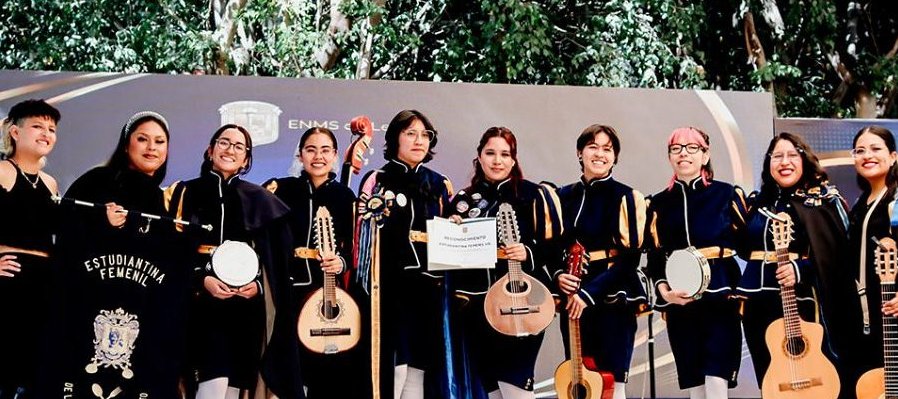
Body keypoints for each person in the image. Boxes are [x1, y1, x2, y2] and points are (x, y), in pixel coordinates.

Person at [54, 111, 192, 398]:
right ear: (126, 144)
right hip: (86, 313)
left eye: (159, 141)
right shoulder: (96, 180)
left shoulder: (163, 198)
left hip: (143, 319)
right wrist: (100, 223)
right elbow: (65, 231)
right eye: (142, 139)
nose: (151, 147)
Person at [166, 124, 292, 399]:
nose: (230, 150)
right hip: (200, 305)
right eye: (224, 143)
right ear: (210, 150)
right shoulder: (184, 192)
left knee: (235, 386)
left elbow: (273, 261)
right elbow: (172, 251)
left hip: (244, 309)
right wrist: (202, 279)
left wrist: (258, 286)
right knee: (210, 379)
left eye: (239, 146)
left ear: (246, 159)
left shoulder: (261, 199)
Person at [445, 126, 562, 399]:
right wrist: (451, 234)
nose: (497, 160)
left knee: (516, 382)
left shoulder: (535, 195)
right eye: (490, 153)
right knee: (491, 387)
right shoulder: (461, 201)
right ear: (479, 157)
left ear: (514, 159)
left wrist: (528, 253)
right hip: (475, 307)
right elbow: (447, 258)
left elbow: (555, 245)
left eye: (505, 154)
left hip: (523, 303)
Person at [736, 132, 854, 387]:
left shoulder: (823, 201)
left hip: (803, 299)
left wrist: (800, 269)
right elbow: (743, 246)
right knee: (770, 379)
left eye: (792, 155)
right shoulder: (756, 203)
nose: (784, 162)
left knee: (812, 374)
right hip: (758, 302)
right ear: (768, 163)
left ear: (805, 159)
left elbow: (839, 254)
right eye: (777, 156)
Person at [356, 109, 454, 399]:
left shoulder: (440, 184)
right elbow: (362, 240)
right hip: (390, 289)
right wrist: (366, 288)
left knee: (419, 368)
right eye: (410, 133)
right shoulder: (378, 180)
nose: (419, 140)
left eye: (425, 135)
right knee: (393, 365)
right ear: (394, 138)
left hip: (430, 289)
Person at [645, 126, 747, 398]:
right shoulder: (657, 204)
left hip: (721, 294)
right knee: (693, 379)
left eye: (692, 148)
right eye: (676, 149)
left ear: (705, 155)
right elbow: (655, 257)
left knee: (717, 375)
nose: (683, 154)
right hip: (680, 297)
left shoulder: (727, 194)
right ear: (669, 157)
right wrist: (664, 290)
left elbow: (748, 243)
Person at [261, 127, 361, 399]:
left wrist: (340, 263)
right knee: (289, 366)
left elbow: (356, 248)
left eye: (325, 150)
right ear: (301, 155)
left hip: (328, 293)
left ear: (335, 155)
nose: (318, 156)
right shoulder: (280, 189)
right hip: (288, 289)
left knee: (328, 370)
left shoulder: (345, 197)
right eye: (311, 149)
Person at [553, 124, 645, 399]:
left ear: (615, 157)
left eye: (608, 149)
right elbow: (552, 248)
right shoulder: (562, 197)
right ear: (580, 152)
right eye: (593, 146)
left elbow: (630, 259)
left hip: (613, 297)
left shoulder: (626, 197)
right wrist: (559, 275)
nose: (600, 154)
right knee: (579, 384)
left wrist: (589, 293)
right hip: (571, 299)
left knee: (611, 385)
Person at [0, 99, 60, 398]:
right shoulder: (2, 171)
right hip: (10, 284)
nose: (45, 133)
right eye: (37, 126)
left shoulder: (51, 183)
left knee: (37, 376)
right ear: (14, 132)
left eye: (51, 128)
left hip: (44, 286)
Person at [846, 125, 898, 392]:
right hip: (866, 317)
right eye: (860, 150)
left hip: (894, 313)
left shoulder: (896, 199)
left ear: (893, 156)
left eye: (876, 149)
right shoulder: (860, 203)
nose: (867, 155)